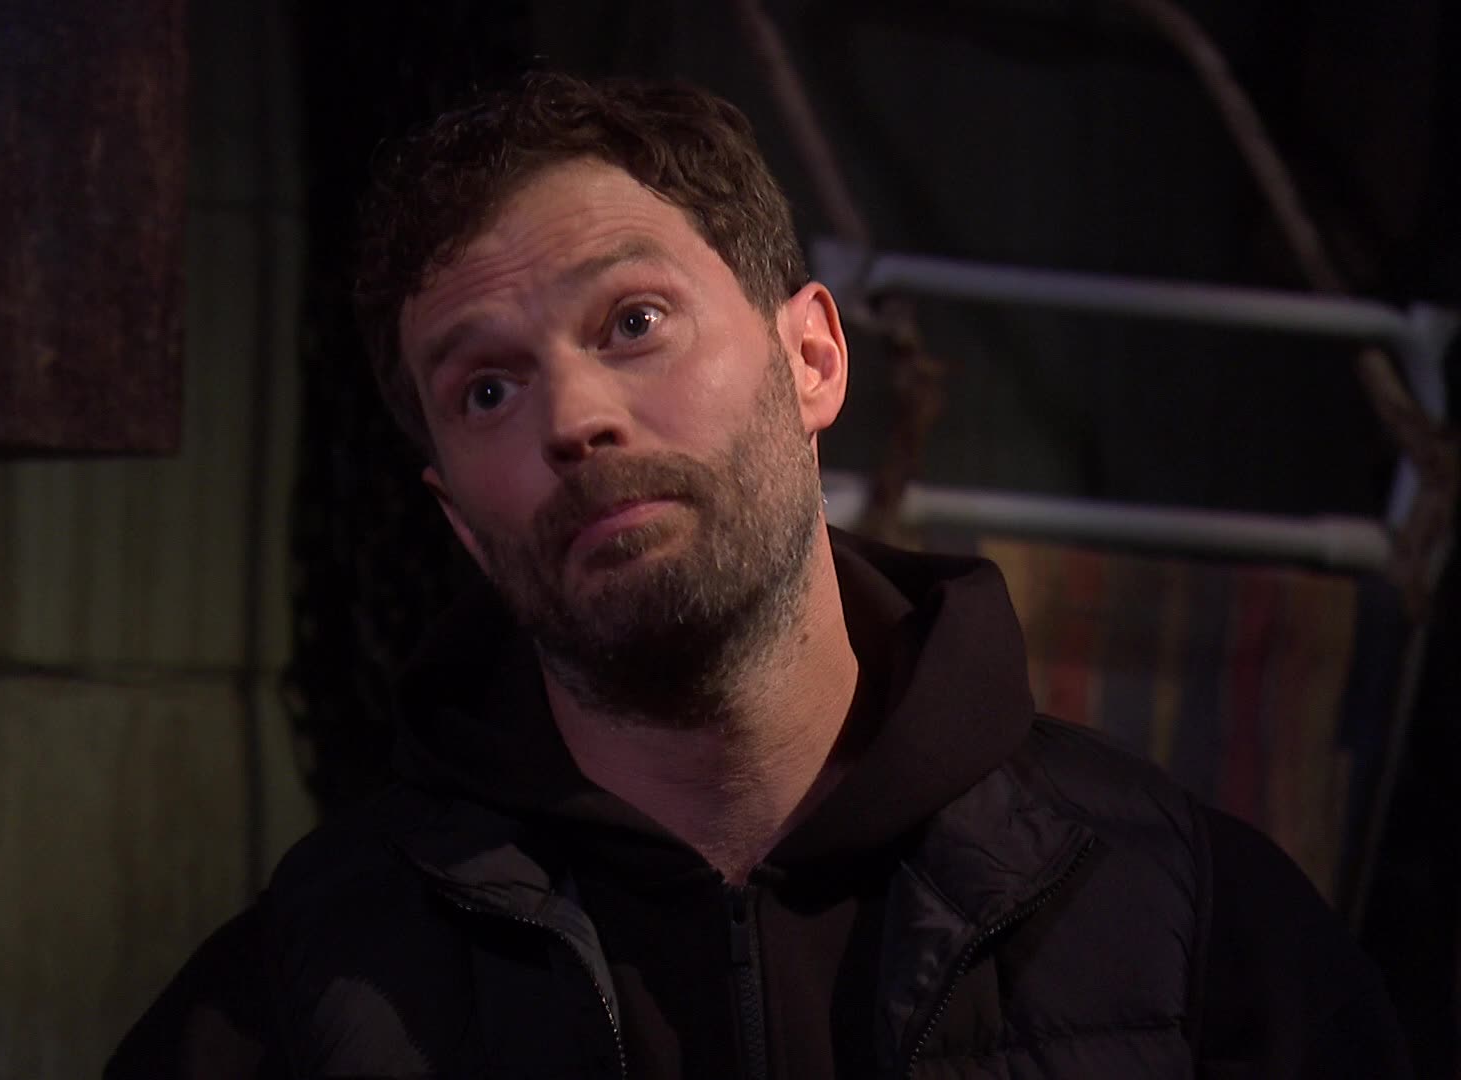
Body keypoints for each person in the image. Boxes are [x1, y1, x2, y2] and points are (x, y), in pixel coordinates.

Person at [108, 72, 1410, 1078]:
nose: (576, 419)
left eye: (634, 322)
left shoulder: (1190, 926)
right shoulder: (303, 992)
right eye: (487, 388)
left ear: (814, 361)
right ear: (456, 520)